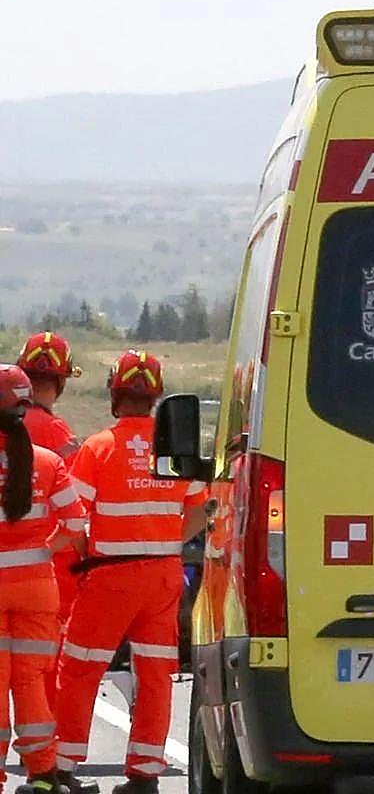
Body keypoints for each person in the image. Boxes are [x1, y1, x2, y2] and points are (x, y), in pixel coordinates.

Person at [55, 351, 208, 794]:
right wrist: (164, 542)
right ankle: (144, 774)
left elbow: (73, 518)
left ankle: (64, 768)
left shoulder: (99, 447)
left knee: (81, 668)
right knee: (156, 673)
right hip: (162, 575)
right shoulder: (175, 451)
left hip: (109, 576)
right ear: (157, 398)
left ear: (113, 394)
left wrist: (90, 552)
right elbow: (200, 512)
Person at [0, 364, 86, 794]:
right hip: (37, 587)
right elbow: (76, 524)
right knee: (32, 679)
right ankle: (42, 774)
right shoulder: (49, 461)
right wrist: (42, 550)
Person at [16, 332, 84, 711]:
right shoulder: (56, 433)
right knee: (44, 658)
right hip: (50, 564)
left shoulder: (9, 424)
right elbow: (75, 505)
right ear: (59, 382)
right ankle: (43, 743)